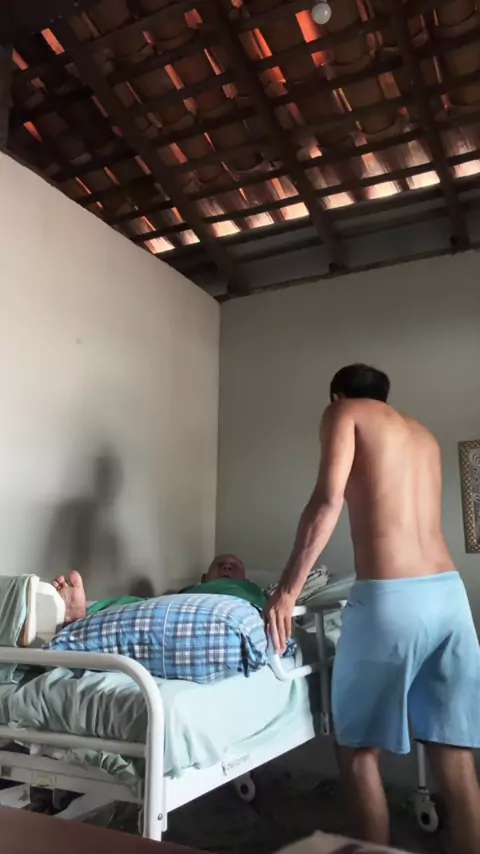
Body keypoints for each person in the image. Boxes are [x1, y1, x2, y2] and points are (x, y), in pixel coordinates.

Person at [266, 364, 480, 853]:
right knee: (454, 755)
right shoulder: (423, 436)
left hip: (392, 599)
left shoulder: (344, 413)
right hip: (450, 596)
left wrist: (288, 590)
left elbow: (326, 502)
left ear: (337, 395)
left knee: (360, 751)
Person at [51, 553, 266, 626]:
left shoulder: (252, 591)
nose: (227, 567)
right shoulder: (191, 589)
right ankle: (79, 618)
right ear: (203, 578)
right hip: (185, 605)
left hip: (232, 609)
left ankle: (79, 623)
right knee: (134, 603)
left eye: (234, 565)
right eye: (220, 564)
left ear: (245, 579)